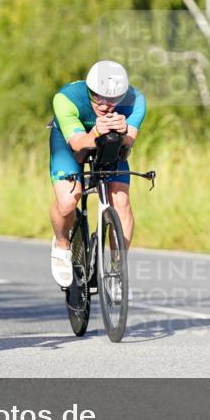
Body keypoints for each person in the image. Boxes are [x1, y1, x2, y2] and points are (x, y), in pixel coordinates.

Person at [48, 60, 147, 287]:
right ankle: (62, 244)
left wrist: (121, 133)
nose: (104, 105)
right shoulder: (66, 98)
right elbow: (76, 143)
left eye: (113, 99)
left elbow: (127, 145)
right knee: (67, 201)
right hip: (69, 141)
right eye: (98, 97)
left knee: (120, 199)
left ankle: (116, 267)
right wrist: (94, 132)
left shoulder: (135, 101)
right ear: (89, 89)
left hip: (110, 143)